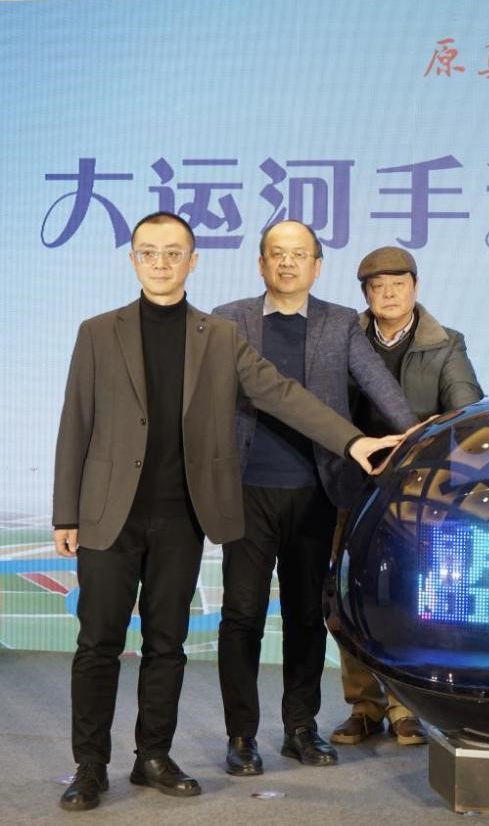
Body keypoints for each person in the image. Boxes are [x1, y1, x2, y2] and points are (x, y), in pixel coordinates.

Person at [53, 212, 399, 811]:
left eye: (174, 253)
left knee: (167, 644)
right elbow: (75, 423)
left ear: (193, 262)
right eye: (149, 252)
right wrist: (66, 513)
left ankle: (152, 757)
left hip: (181, 516)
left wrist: (352, 441)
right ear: (134, 260)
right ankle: (90, 766)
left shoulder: (217, 335)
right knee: (98, 643)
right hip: (109, 514)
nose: (161, 263)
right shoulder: (98, 332)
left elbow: (282, 394)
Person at [212, 221, 418, 775]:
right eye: (277, 254)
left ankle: (300, 728)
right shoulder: (228, 320)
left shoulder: (340, 322)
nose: (287, 263)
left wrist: (417, 437)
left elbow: (379, 385)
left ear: (317, 266)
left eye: (299, 254)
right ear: (261, 264)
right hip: (246, 491)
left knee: (307, 615)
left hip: (317, 491)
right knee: (242, 616)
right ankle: (240, 735)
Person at [329, 245, 483, 748]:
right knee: (347, 596)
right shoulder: (342, 338)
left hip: (417, 493)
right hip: (351, 485)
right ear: (366, 295)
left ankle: (405, 707)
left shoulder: (446, 343)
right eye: (378, 287)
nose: (389, 294)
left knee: (409, 598)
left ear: (415, 287)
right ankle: (363, 706)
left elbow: (465, 408)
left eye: (398, 284)